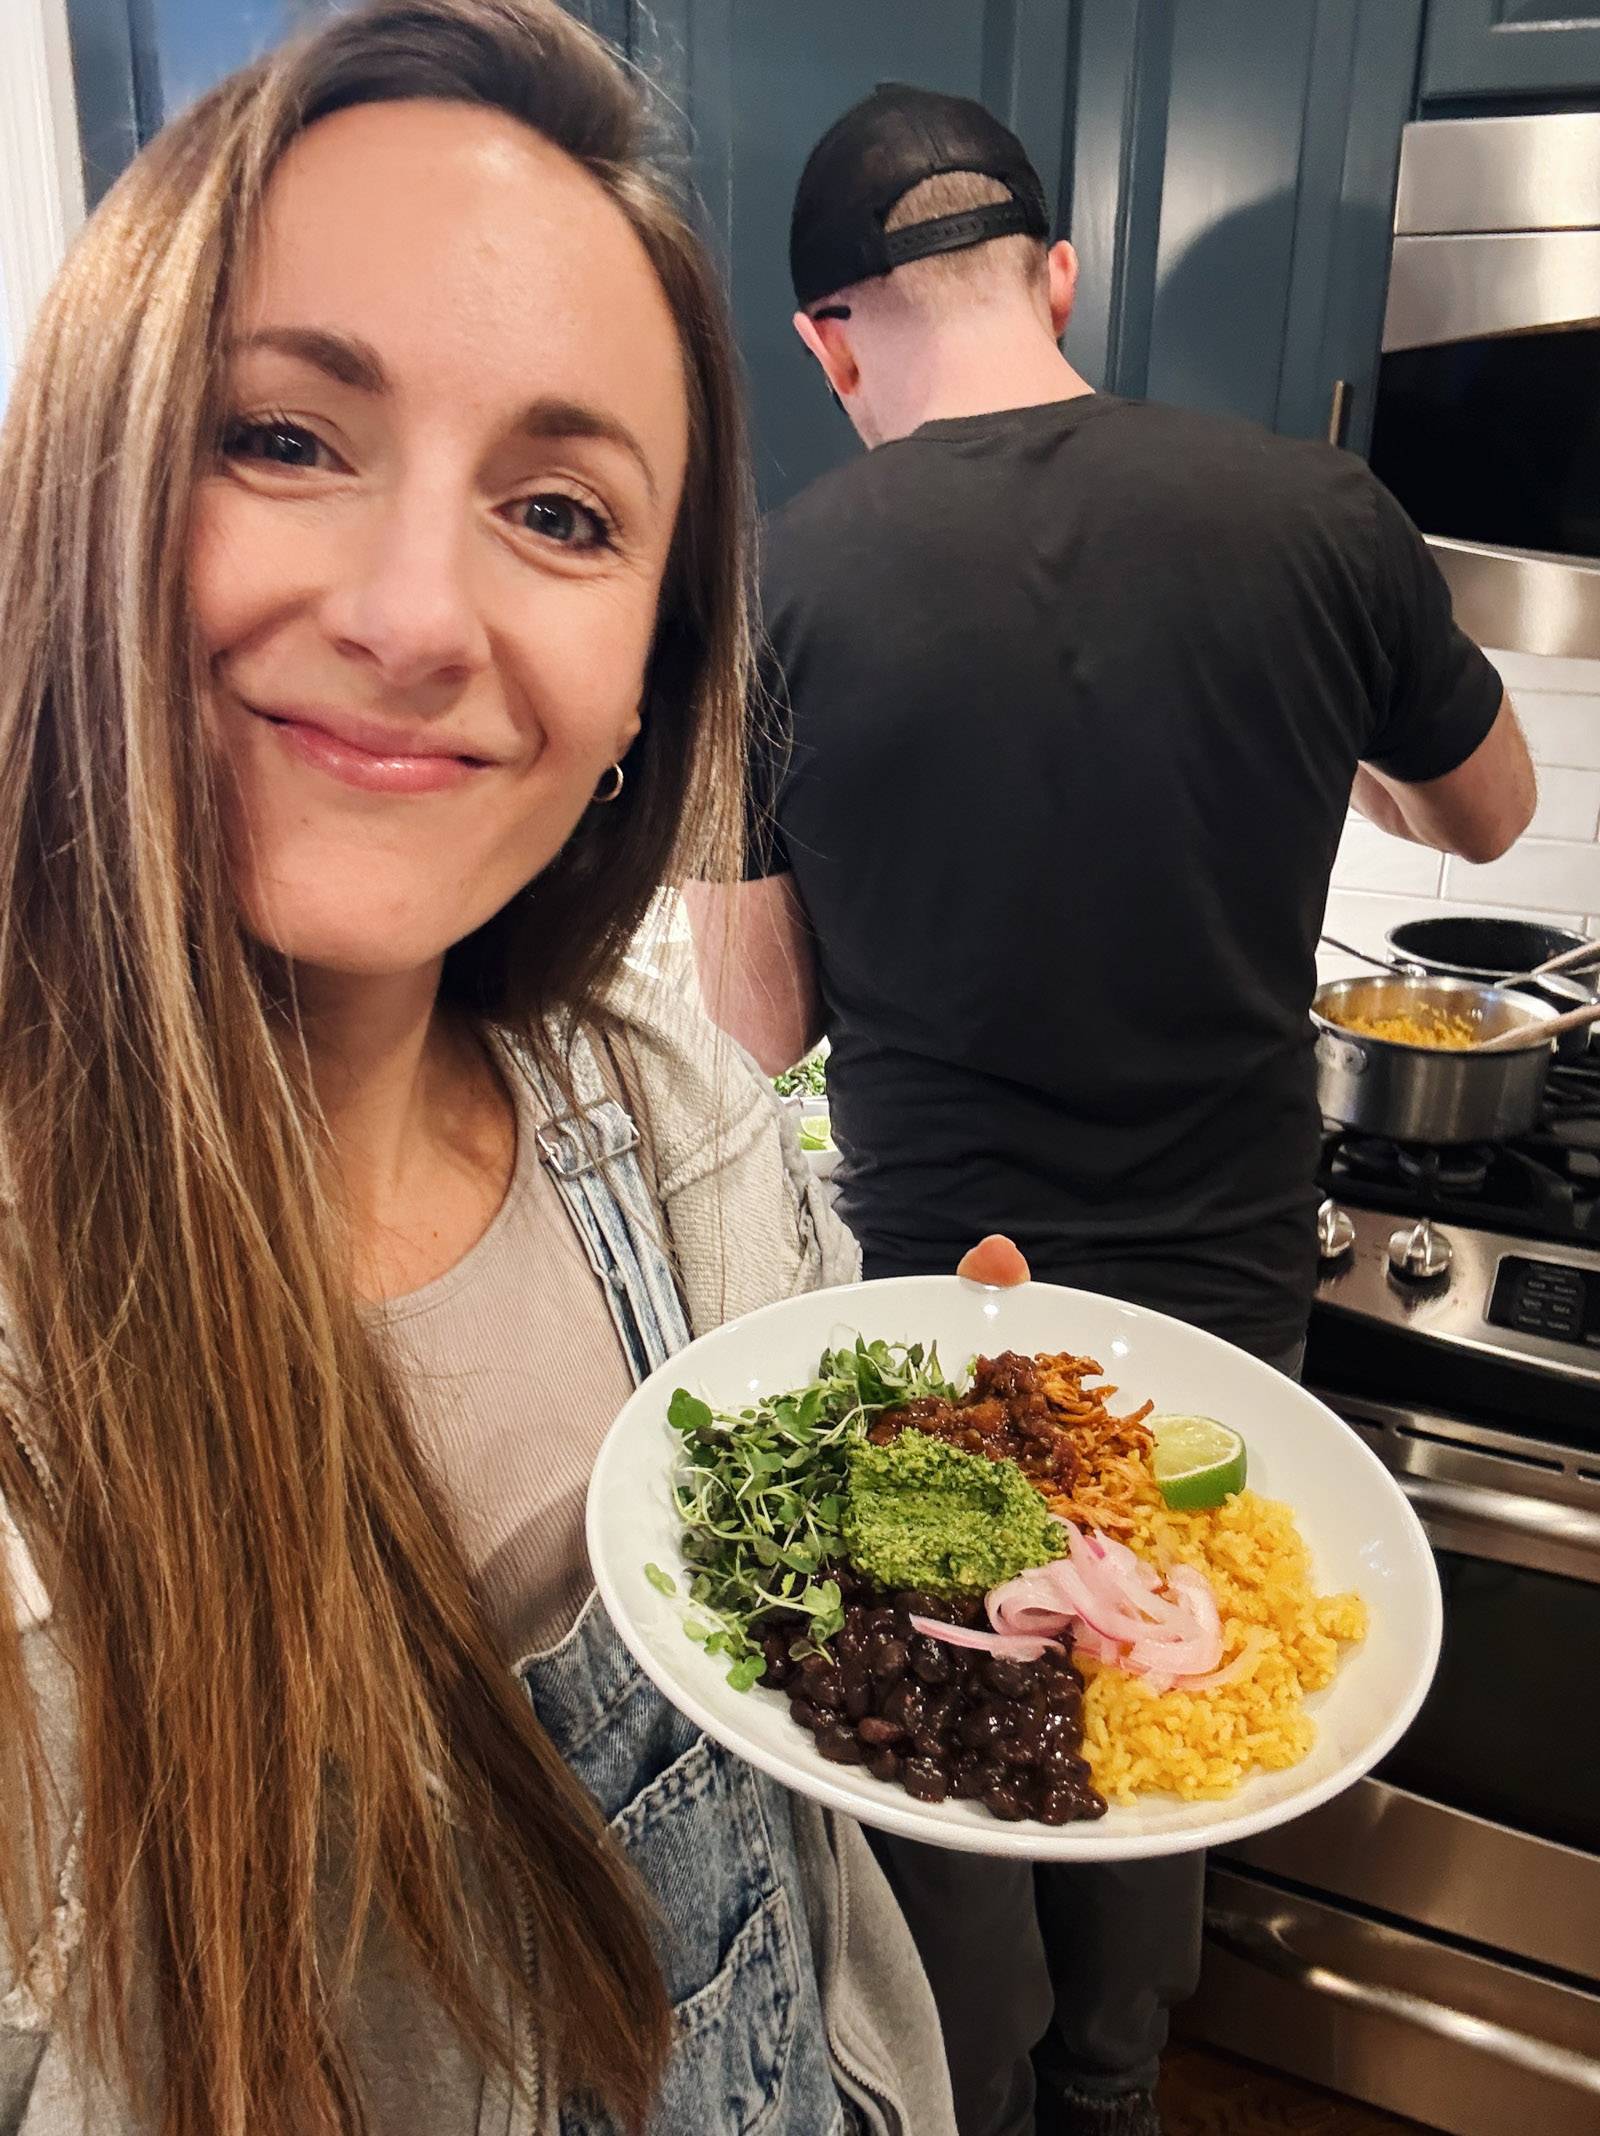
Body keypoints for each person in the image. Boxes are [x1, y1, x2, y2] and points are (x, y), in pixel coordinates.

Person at [0, 12, 980, 2133]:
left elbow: (827, 1648)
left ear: (642, 680)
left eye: (557, 510)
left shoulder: (672, 1115)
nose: (416, 615)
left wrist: (975, 1474)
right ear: (86, 477)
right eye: (284, 438)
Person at [687, 82, 1537, 2136]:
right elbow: (1489, 820)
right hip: (1218, 1290)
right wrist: (1308, 724)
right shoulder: (1318, 514)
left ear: (825, 340)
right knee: (1175, 1686)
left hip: (947, 1305)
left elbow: (763, 1020)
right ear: (1055, 277)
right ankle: (1116, 2090)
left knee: (962, 1717)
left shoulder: (768, 588)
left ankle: (974, 2103)